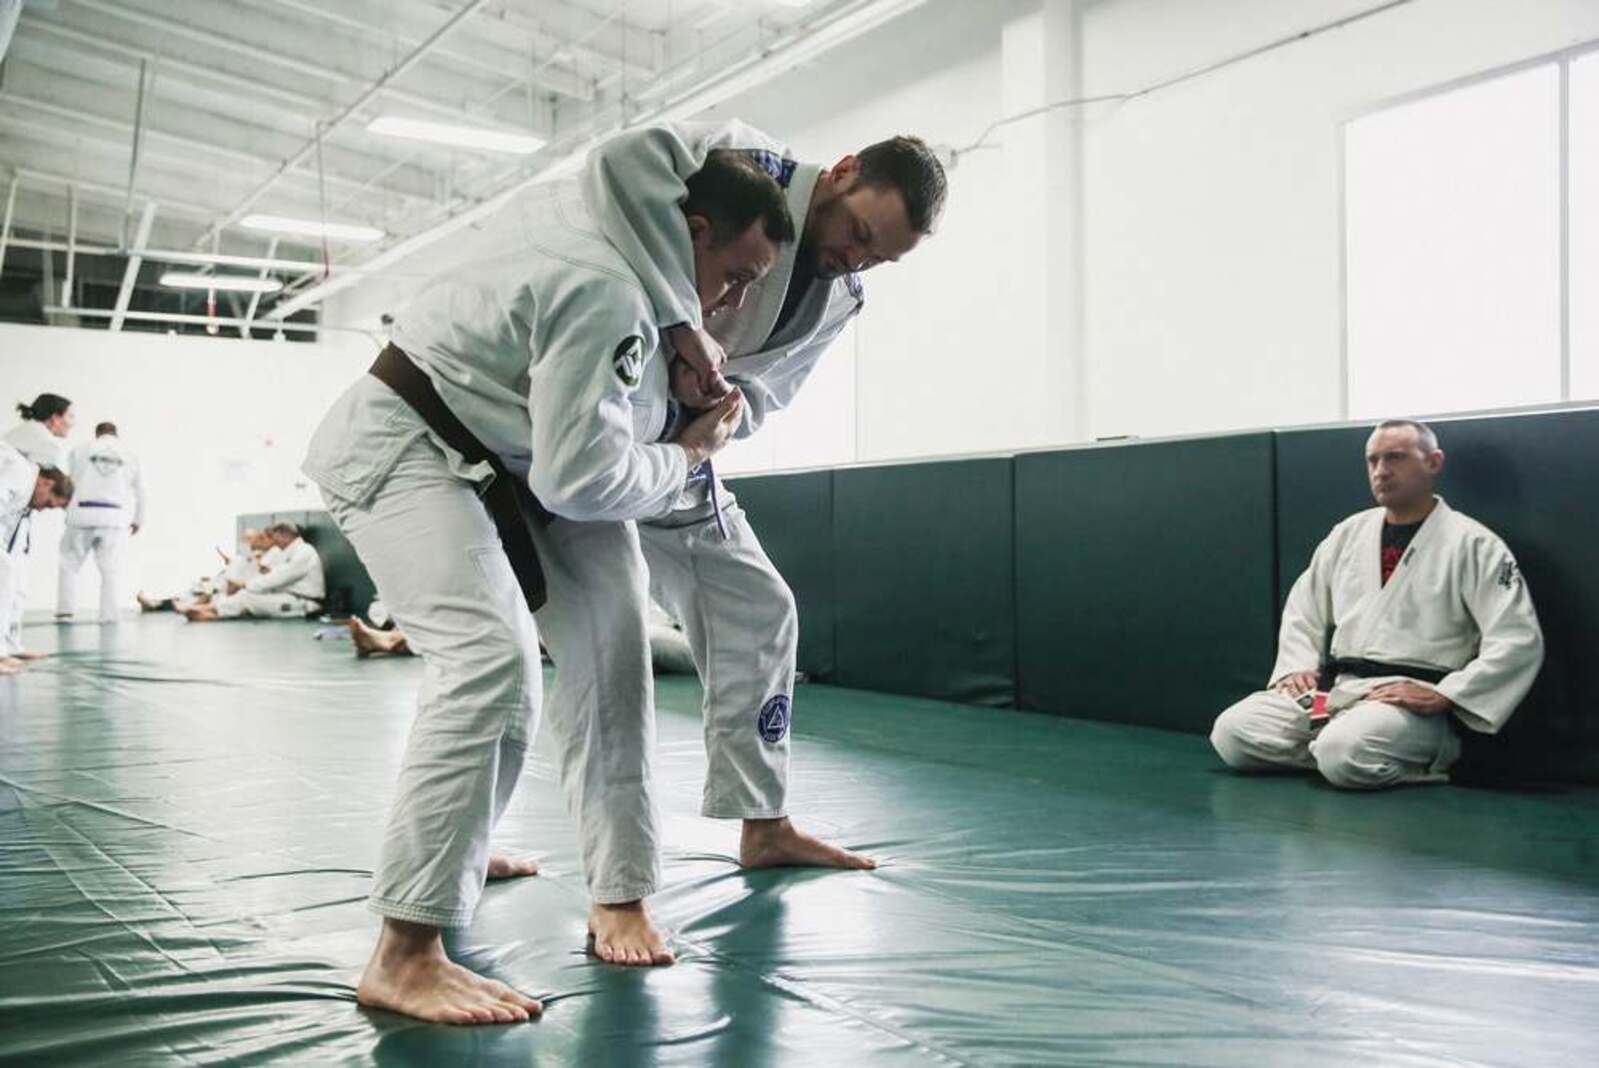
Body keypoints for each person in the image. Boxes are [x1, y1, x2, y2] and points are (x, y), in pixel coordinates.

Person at [300, 149, 790, 1025]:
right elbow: (585, 478)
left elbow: (590, 435)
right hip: (407, 445)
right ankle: (404, 952)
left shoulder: (633, 255)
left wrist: (679, 371)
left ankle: (616, 890)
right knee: (490, 663)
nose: (731, 303)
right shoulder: (609, 286)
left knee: (612, 649)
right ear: (693, 230)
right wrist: (688, 452)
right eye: (733, 276)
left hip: (516, 462)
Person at [569, 122, 945, 911]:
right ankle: (505, 849)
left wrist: (720, 403)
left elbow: (770, 390)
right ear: (842, 171)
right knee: (539, 649)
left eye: (878, 257)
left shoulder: (842, 296)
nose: (854, 258)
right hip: (583, 423)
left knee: (760, 606)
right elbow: (616, 166)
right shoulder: (741, 161)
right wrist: (681, 328)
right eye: (858, 232)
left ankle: (763, 822)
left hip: (680, 447)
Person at [1210, 419, 1544, 789]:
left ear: (1433, 462)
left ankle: (1408, 756)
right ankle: (1334, 750)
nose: (1381, 471)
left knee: (1342, 751)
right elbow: (1304, 608)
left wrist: (1447, 694)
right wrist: (1296, 667)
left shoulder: (1474, 544)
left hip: (1407, 702)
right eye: (1373, 460)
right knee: (1233, 734)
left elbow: (1517, 639)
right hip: (1332, 695)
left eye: (1396, 458)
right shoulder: (1348, 534)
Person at [3, 394, 73, 656]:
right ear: (55, 418)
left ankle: (9, 646)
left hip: (13, 516)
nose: (72, 423)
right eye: (69, 417)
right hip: (10, 516)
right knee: (7, 575)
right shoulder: (44, 446)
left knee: (14, 579)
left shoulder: (22, 436)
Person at [57, 422, 146, 622]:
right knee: (110, 569)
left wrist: (66, 507)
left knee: (69, 563)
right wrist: (138, 519)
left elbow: (68, 482)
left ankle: (65, 611)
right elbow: (141, 490)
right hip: (113, 517)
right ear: (116, 434)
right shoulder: (130, 455)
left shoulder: (80, 450)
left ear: (97, 434)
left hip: (81, 513)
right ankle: (109, 615)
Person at [182, 522, 324, 621]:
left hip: (303, 603)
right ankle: (210, 610)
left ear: (285, 535)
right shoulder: (290, 552)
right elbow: (278, 574)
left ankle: (209, 610)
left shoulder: (304, 552)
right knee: (244, 595)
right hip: (289, 596)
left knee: (247, 598)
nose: (275, 543)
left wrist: (246, 584)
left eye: (276, 539)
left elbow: (280, 577)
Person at [138, 528, 273, 613]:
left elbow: (247, 578)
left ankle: (157, 605)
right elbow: (233, 570)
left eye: (249, 539)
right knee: (191, 592)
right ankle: (156, 604)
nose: (245, 542)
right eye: (243, 539)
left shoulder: (263, 558)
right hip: (221, 585)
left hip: (230, 590)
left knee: (200, 596)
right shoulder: (244, 557)